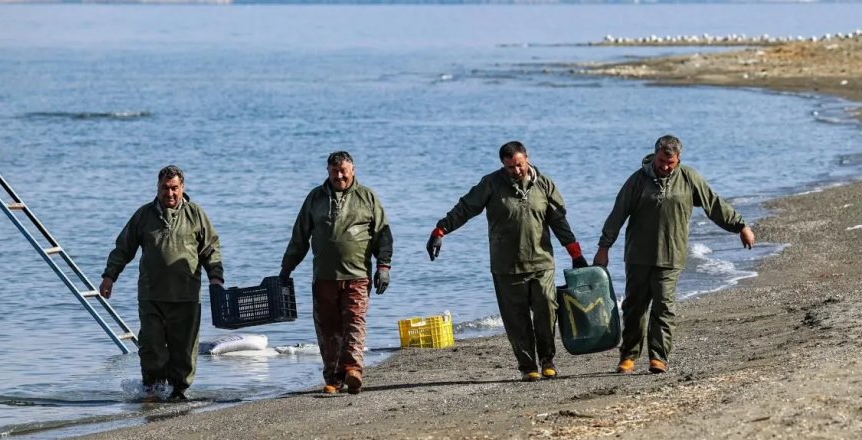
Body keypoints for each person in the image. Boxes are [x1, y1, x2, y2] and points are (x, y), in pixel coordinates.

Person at [426, 141, 588, 382]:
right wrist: (440, 230)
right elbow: (466, 208)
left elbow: (560, 222)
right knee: (516, 320)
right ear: (503, 165)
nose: (517, 171)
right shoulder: (491, 184)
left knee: (546, 310)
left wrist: (576, 254)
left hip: (541, 263)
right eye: (510, 167)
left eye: (520, 165)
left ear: (527, 158)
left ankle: (547, 359)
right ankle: (527, 366)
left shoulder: (544, 184)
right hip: (506, 266)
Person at [593, 134, 755, 375]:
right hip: (638, 256)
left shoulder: (689, 178)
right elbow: (617, 214)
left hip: (671, 256)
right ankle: (628, 355)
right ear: (655, 156)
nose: (664, 167)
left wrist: (740, 226)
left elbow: (714, 204)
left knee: (664, 307)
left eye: (670, 163)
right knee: (634, 308)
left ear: (678, 160)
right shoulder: (638, 180)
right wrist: (604, 248)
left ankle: (658, 357)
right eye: (661, 161)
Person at [99, 165, 224, 401]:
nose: (170, 193)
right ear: (157, 188)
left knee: (184, 352)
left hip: (186, 296)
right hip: (151, 296)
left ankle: (178, 392)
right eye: (165, 188)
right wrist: (109, 276)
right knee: (151, 348)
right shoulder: (144, 215)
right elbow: (123, 248)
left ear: (182, 188)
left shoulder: (195, 214)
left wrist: (215, 277)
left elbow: (211, 249)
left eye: (174, 188)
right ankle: (152, 391)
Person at [279, 151, 393, 395]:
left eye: (343, 171)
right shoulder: (315, 198)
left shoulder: (367, 197)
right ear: (328, 172)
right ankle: (333, 378)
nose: (339, 176)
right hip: (324, 277)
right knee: (328, 329)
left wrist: (383, 266)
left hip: (357, 275)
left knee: (354, 322)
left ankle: (353, 370)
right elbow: (300, 236)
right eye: (334, 172)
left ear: (353, 170)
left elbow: (383, 234)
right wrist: (287, 268)